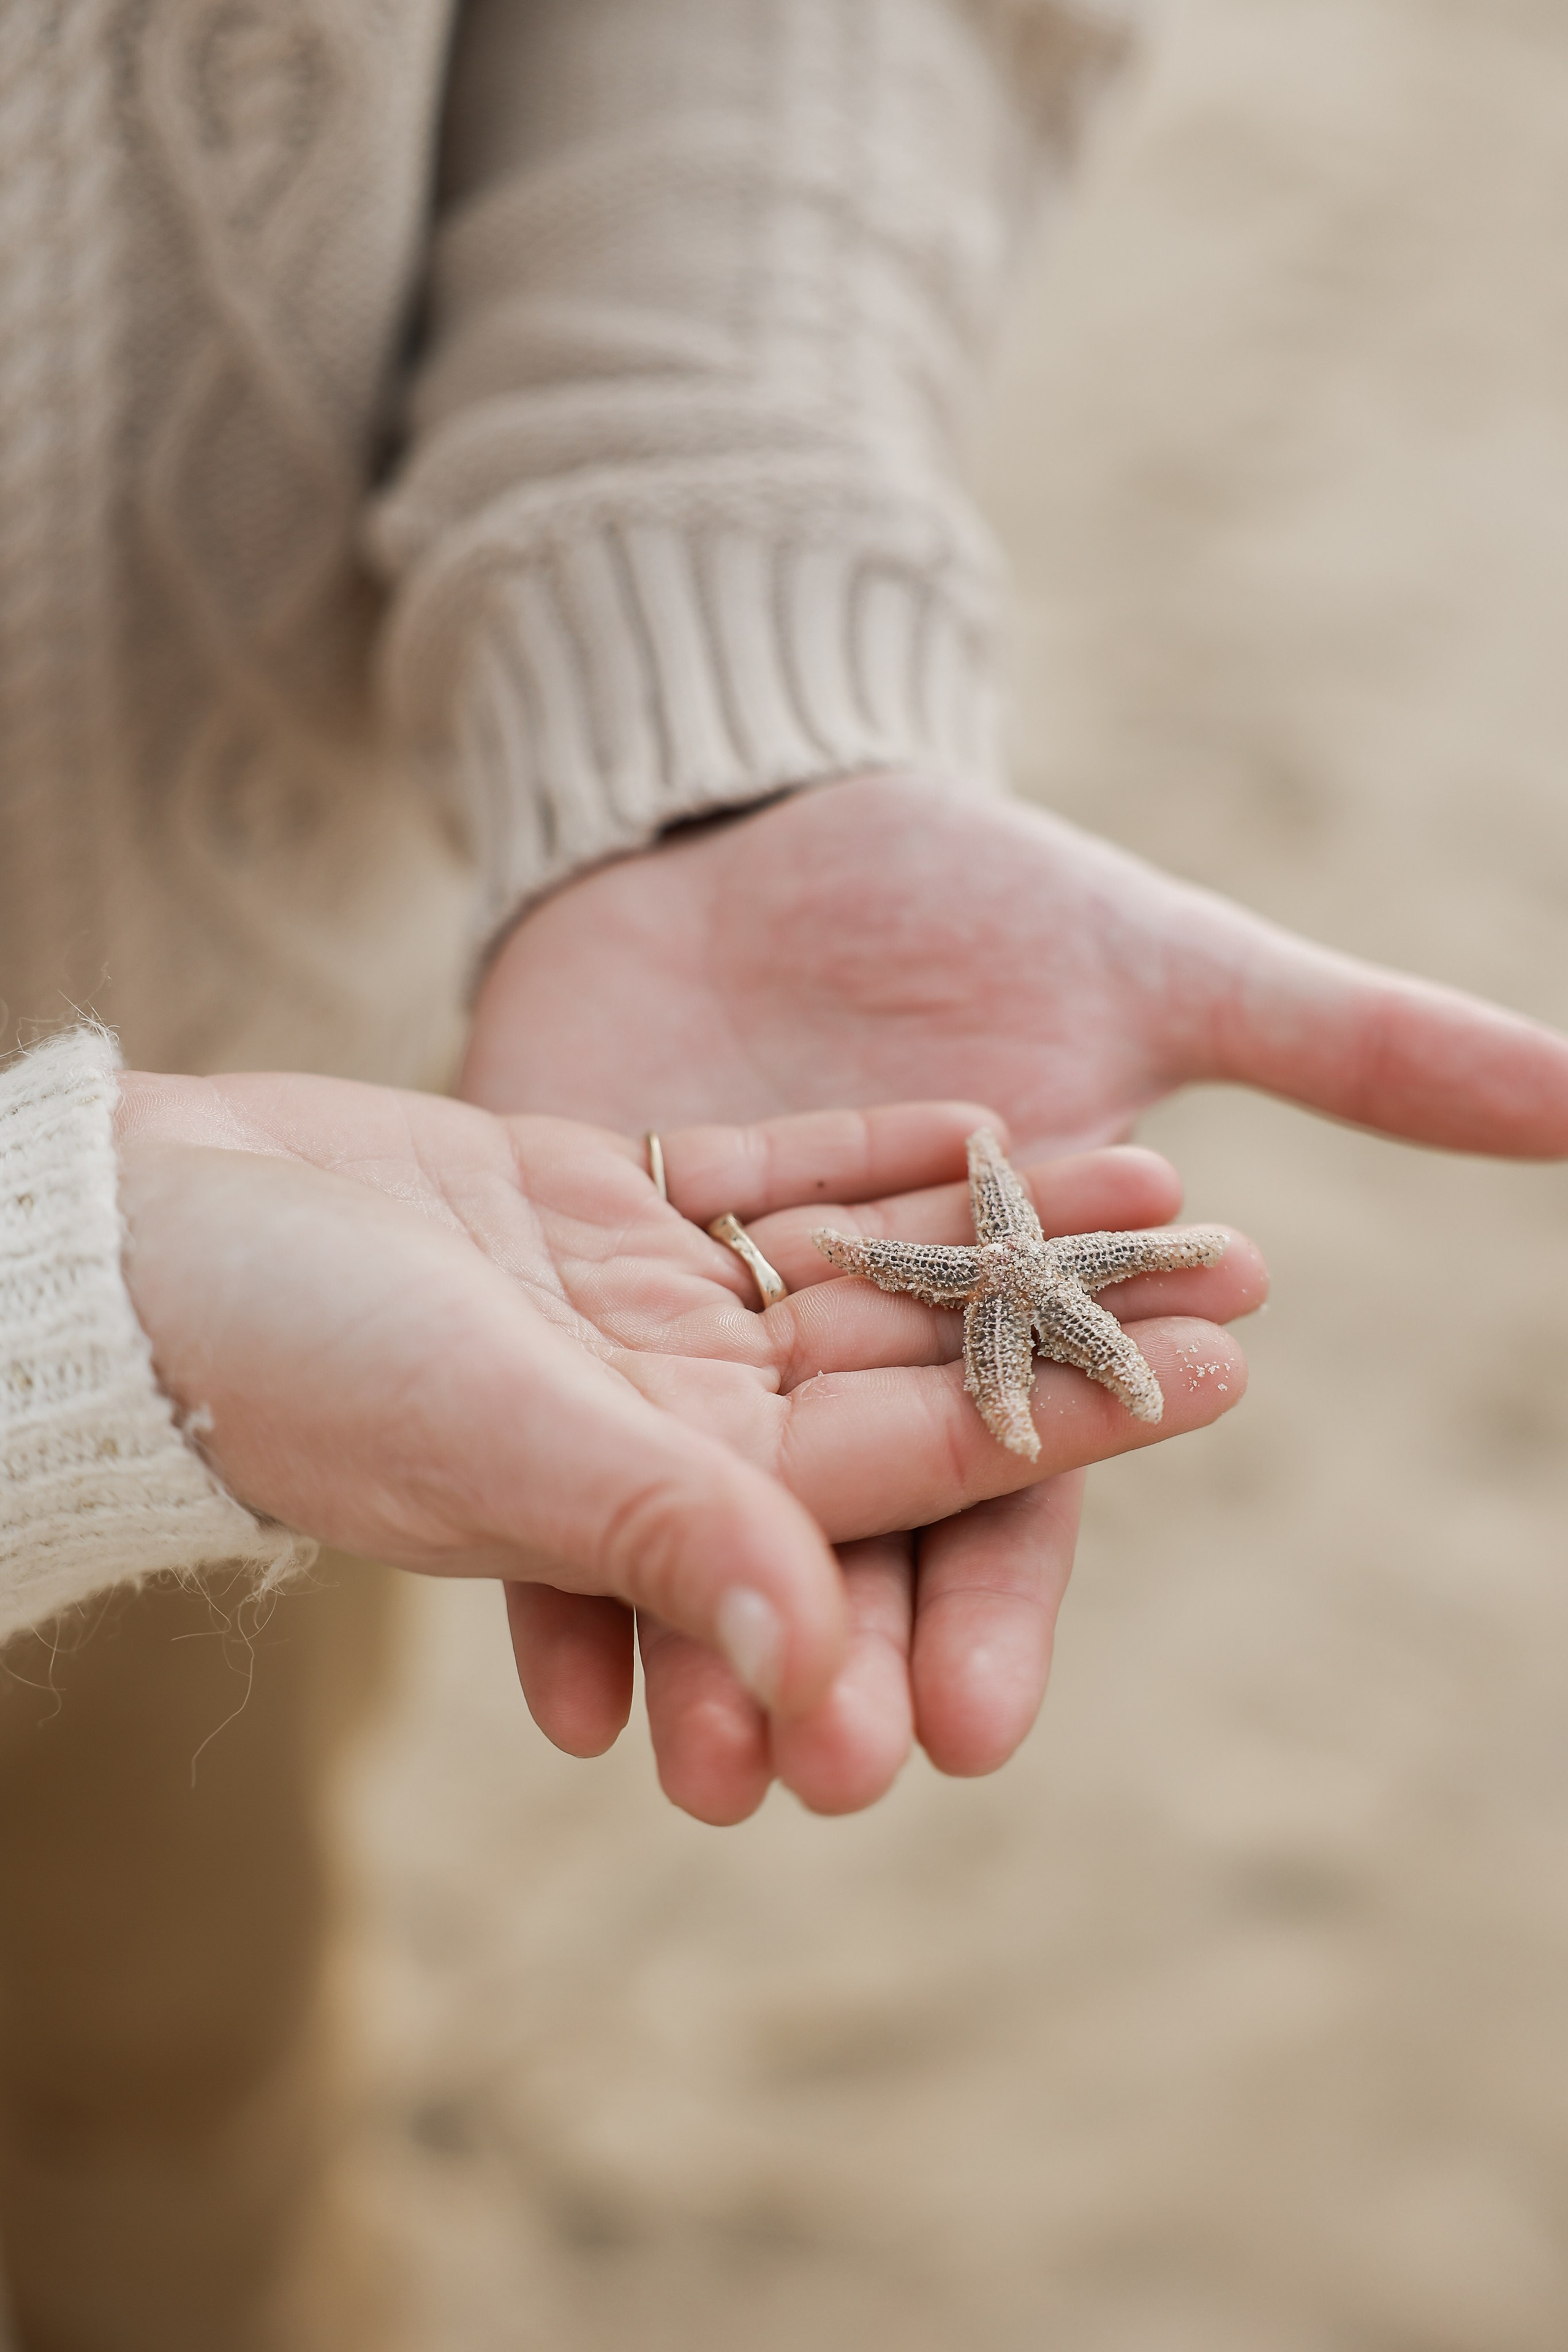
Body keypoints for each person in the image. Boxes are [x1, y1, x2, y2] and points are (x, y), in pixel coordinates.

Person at [2, 1, 1566, 2343]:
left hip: (290, 1227)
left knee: (143, 2094)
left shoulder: (390, 1258)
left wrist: (701, 689)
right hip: (176, 1300)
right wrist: (62, 1304)